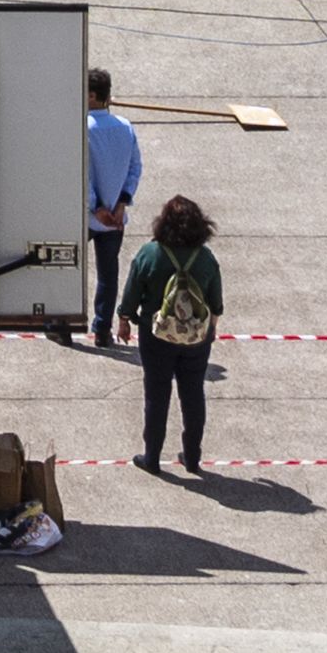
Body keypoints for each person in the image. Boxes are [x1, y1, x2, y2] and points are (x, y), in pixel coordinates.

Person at [120, 194, 227, 474]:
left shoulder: (149, 253)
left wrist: (125, 319)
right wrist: (210, 329)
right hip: (195, 339)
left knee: (156, 396)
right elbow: (216, 303)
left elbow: (132, 294)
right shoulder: (205, 258)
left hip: (155, 337)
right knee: (193, 395)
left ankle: (152, 457)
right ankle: (192, 457)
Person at [80, 65, 141, 338]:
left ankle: (61, 325)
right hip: (115, 220)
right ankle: (102, 329)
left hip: (86, 216)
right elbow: (134, 168)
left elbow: (80, 173)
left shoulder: (82, 128)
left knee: (66, 268)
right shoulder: (125, 127)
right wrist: (121, 204)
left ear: (92, 95)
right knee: (108, 276)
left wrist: (96, 207)